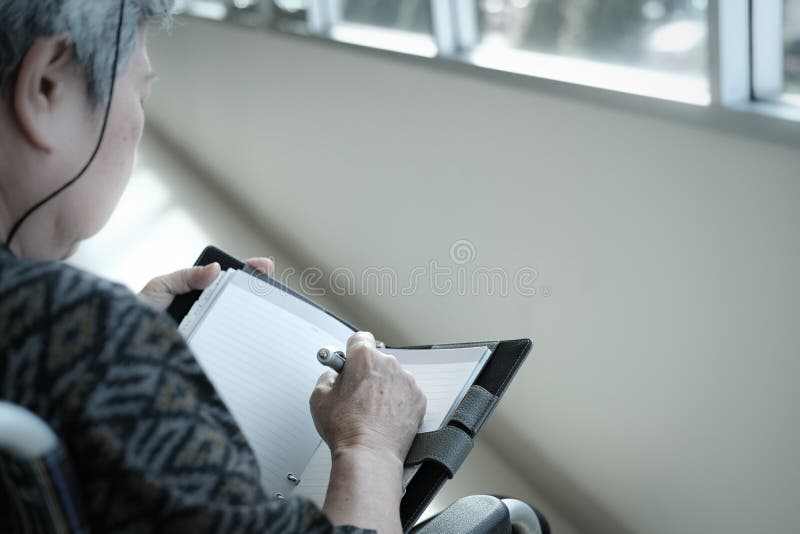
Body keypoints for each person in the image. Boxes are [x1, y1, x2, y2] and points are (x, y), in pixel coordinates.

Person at [0, 1, 426, 532]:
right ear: (45, 85)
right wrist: (372, 445)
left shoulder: (59, 336)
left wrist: (119, 364)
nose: (138, 121)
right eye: (140, 92)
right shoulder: (84, 334)